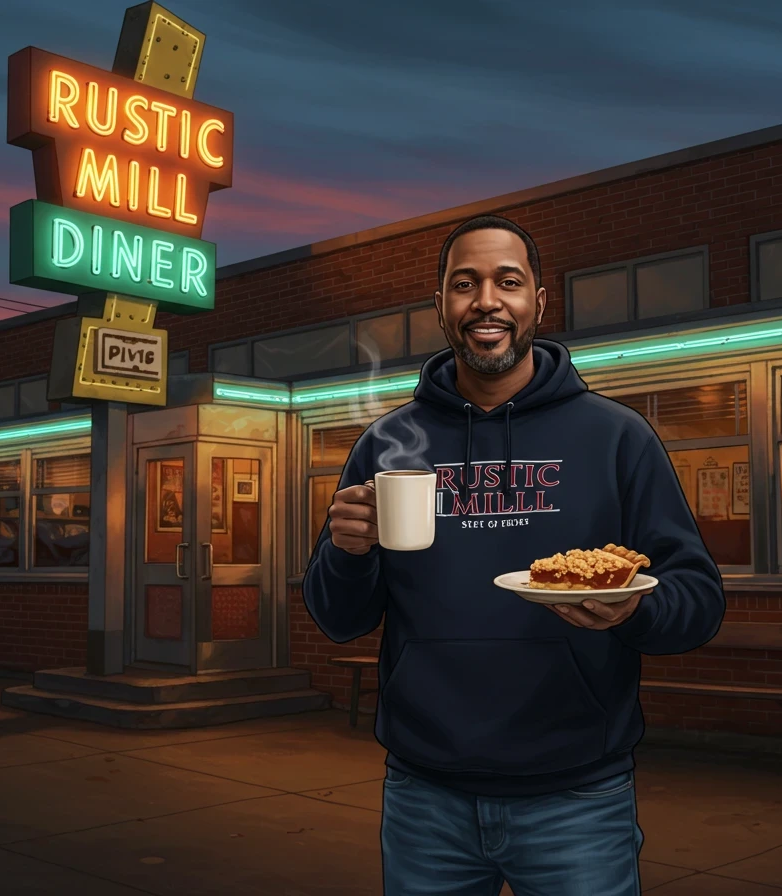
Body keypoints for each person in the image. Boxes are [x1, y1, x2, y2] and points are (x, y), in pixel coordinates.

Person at [302, 214, 726, 895]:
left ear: (539, 302)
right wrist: (347, 553)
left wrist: (632, 611)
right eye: (464, 284)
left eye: (508, 281)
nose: (487, 301)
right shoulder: (388, 443)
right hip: (424, 797)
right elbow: (338, 618)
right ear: (441, 306)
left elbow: (699, 602)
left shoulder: (615, 438)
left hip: (578, 799)